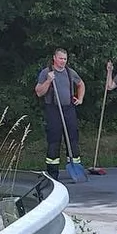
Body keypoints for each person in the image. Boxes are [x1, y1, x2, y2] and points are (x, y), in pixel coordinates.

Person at [33, 49, 85, 179]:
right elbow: (39, 92)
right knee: (54, 140)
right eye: (61, 58)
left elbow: (81, 84)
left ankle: (75, 167)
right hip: (53, 109)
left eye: (65, 59)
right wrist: (49, 81)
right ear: (54, 58)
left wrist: (80, 98)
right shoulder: (46, 73)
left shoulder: (70, 72)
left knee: (73, 138)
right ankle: (52, 172)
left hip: (69, 109)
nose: (63, 61)